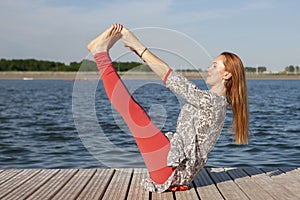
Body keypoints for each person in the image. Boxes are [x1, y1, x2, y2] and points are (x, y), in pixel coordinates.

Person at [87, 24, 249, 192]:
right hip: (173, 171)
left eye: (214, 66)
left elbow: (172, 79)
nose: (209, 69)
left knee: (133, 113)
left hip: (170, 171)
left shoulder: (212, 102)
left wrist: (139, 47)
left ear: (227, 74)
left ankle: (99, 54)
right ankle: (100, 52)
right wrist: (137, 50)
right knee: (134, 114)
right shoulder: (216, 102)